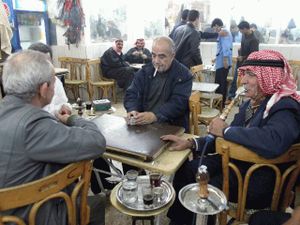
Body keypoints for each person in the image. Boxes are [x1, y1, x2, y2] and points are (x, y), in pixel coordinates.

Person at [162, 49, 300, 225]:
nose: (243, 80)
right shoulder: (252, 103)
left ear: (268, 76)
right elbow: (227, 137)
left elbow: (273, 141)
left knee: (206, 186)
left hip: (257, 180)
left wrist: (226, 131)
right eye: (244, 74)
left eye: (251, 75)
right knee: (189, 169)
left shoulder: (285, 106)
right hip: (237, 165)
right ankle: (181, 222)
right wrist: (191, 142)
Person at [0, 50, 107, 225]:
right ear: (43, 89)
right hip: (26, 216)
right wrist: (73, 119)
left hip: (8, 210)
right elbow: (96, 142)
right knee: (96, 203)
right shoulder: (34, 124)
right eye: (53, 81)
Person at [90, 36, 193, 194]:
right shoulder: (146, 71)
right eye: (153, 55)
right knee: (123, 150)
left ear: (173, 55)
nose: (156, 61)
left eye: (162, 56)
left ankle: (178, 213)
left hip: (172, 125)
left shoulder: (184, 74)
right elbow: (131, 93)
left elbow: (178, 104)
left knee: (182, 166)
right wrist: (132, 109)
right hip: (143, 124)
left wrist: (155, 115)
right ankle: (138, 188)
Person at [28, 42, 71, 115]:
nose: (47, 67)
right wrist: (56, 111)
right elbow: (37, 113)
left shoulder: (55, 81)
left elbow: (63, 102)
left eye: (49, 62)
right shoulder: (24, 86)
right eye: (42, 63)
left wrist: (66, 107)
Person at [227, 20, 259, 103]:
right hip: (240, 62)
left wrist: (243, 57)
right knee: (235, 80)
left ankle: (245, 100)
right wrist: (240, 50)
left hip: (248, 65)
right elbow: (242, 45)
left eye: (241, 30)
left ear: (245, 29)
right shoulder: (244, 35)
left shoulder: (254, 40)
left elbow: (254, 55)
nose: (240, 32)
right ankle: (231, 97)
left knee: (245, 82)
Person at [211, 18, 233, 108]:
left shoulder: (223, 32)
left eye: (213, 28)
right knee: (221, 83)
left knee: (220, 84)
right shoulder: (226, 31)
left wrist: (224, 60)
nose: (214, 30)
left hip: (223, 63)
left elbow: (226, 47)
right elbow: (221, 48)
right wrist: (216, 58)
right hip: (221, 61)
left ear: (216, 25)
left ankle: (219, 105)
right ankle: (221, 104)